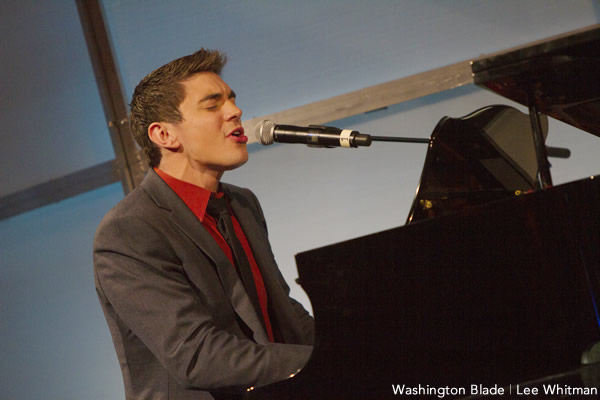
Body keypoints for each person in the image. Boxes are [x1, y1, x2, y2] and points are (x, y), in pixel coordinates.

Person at [93, 49, 314, 400]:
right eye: (213, 105)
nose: (235, 111)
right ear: (164, 135)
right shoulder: (128, 232)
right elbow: (196, 355)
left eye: (231, 99)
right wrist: (319, 361)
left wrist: (351, 350)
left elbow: (281, 311)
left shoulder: (242, 203)